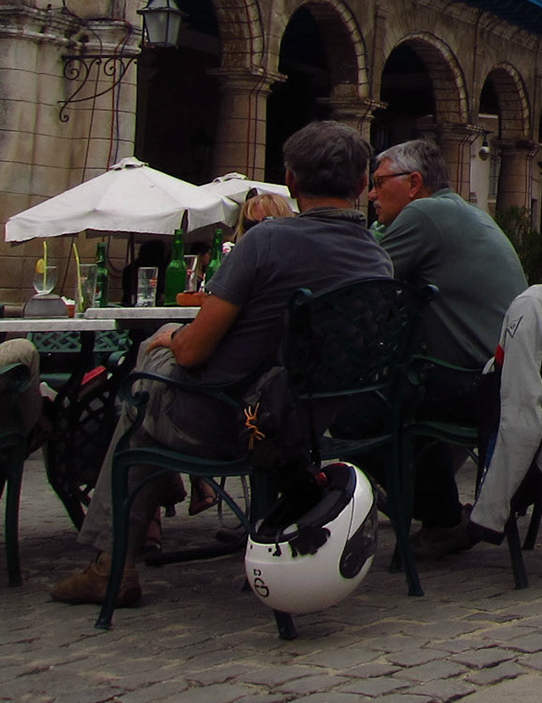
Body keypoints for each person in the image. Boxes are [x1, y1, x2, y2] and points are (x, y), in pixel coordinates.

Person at [51, 121, 393, 608]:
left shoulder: (266, 242)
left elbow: (193, 352)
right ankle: (157, 498)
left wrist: (169, 338)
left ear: (290, 180)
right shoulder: (378, 261)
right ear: (362, 184)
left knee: (146, 373)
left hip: (228, 421)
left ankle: (113, 564)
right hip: (308, 424)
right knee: (150, 390)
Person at [363, 139, 526, 557]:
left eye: (379, 181)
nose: (371, 193)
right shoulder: (459, 212)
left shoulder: (425, 213)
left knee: (357, 408)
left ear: (414, 183)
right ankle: (430, 508)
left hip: (478, 386)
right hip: (503, 382)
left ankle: (441, 518)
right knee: (401, 391)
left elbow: (361, 280)